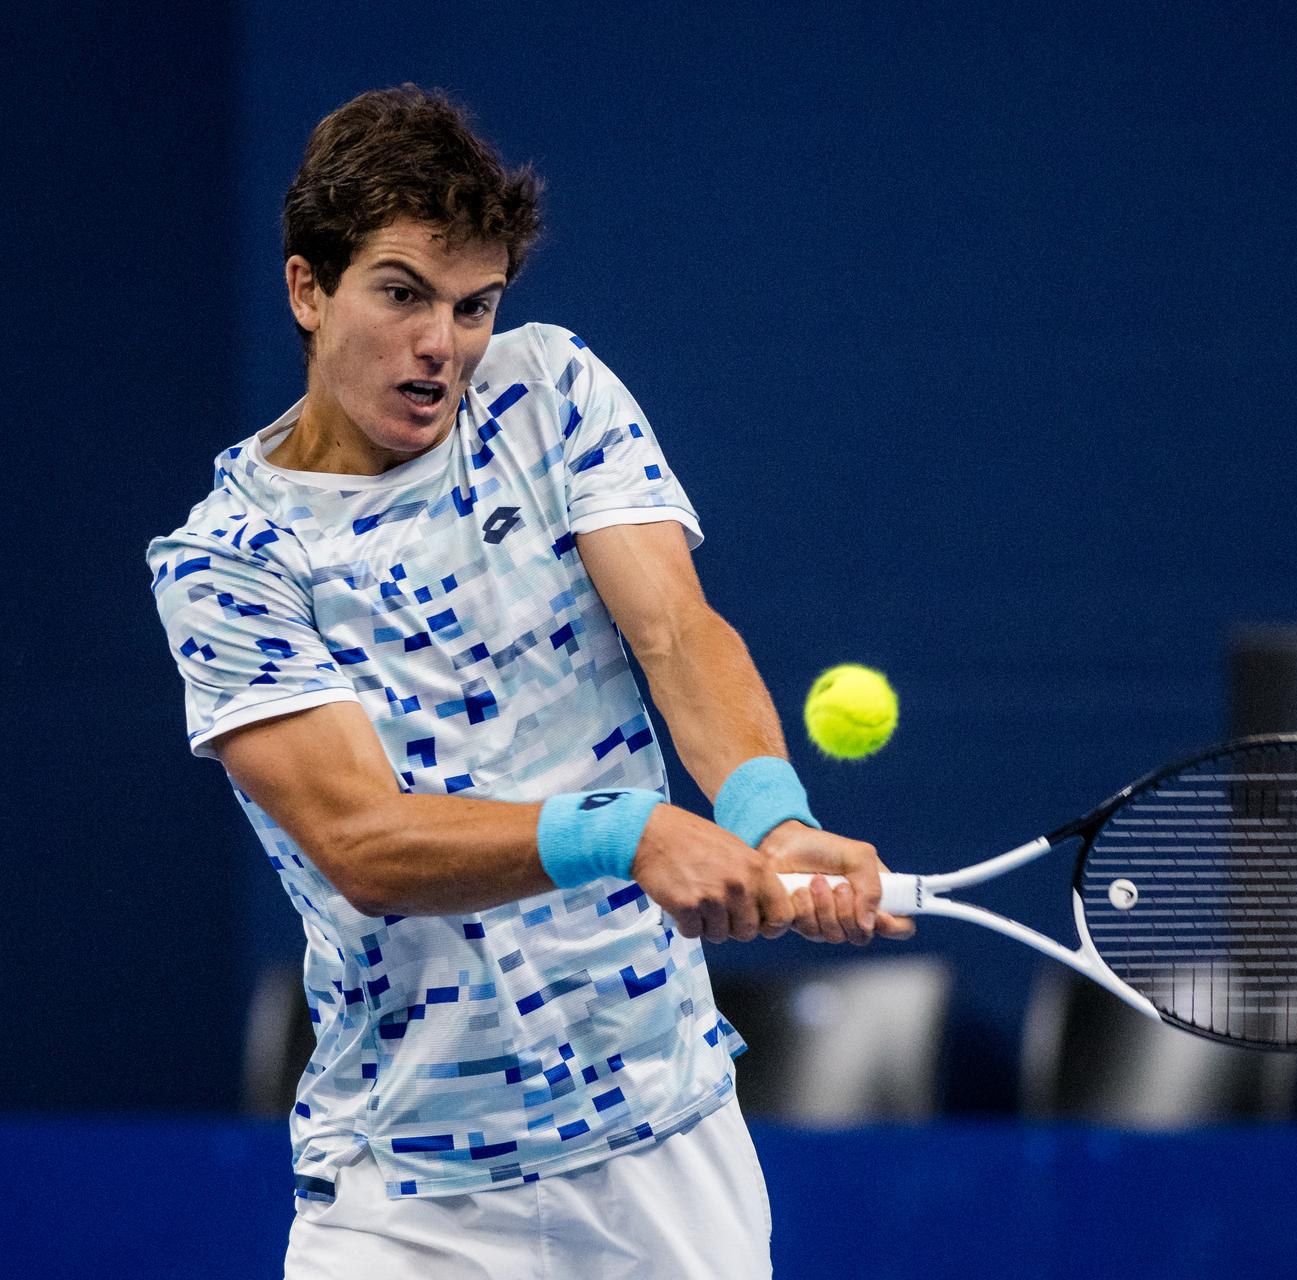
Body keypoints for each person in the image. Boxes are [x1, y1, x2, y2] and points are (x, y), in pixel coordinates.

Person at [146, 84, 910, 1279]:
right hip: (407, 1192)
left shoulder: (547, 392)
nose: (441, 342)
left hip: (667, 1142)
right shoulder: (226, 561)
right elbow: (365, 841)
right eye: (401, 293)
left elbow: (675, 630)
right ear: (309, 288)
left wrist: (774, 814)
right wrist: (628, 831)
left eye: (473, 304)